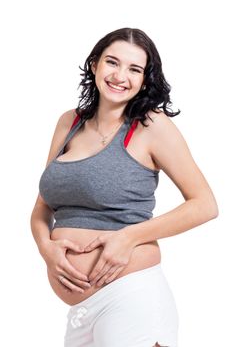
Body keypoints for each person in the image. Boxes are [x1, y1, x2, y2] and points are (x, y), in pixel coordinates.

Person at [30, 27, 218, 347]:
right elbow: (42, 207)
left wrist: (129, 236)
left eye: (134, 69)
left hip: (133, 299)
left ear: (145, 79)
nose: (120, 76)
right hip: (81, 312)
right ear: (95, 65)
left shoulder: (151, 126)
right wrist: (46, 249)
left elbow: (204, 204)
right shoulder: (68, 123)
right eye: (112, 63)